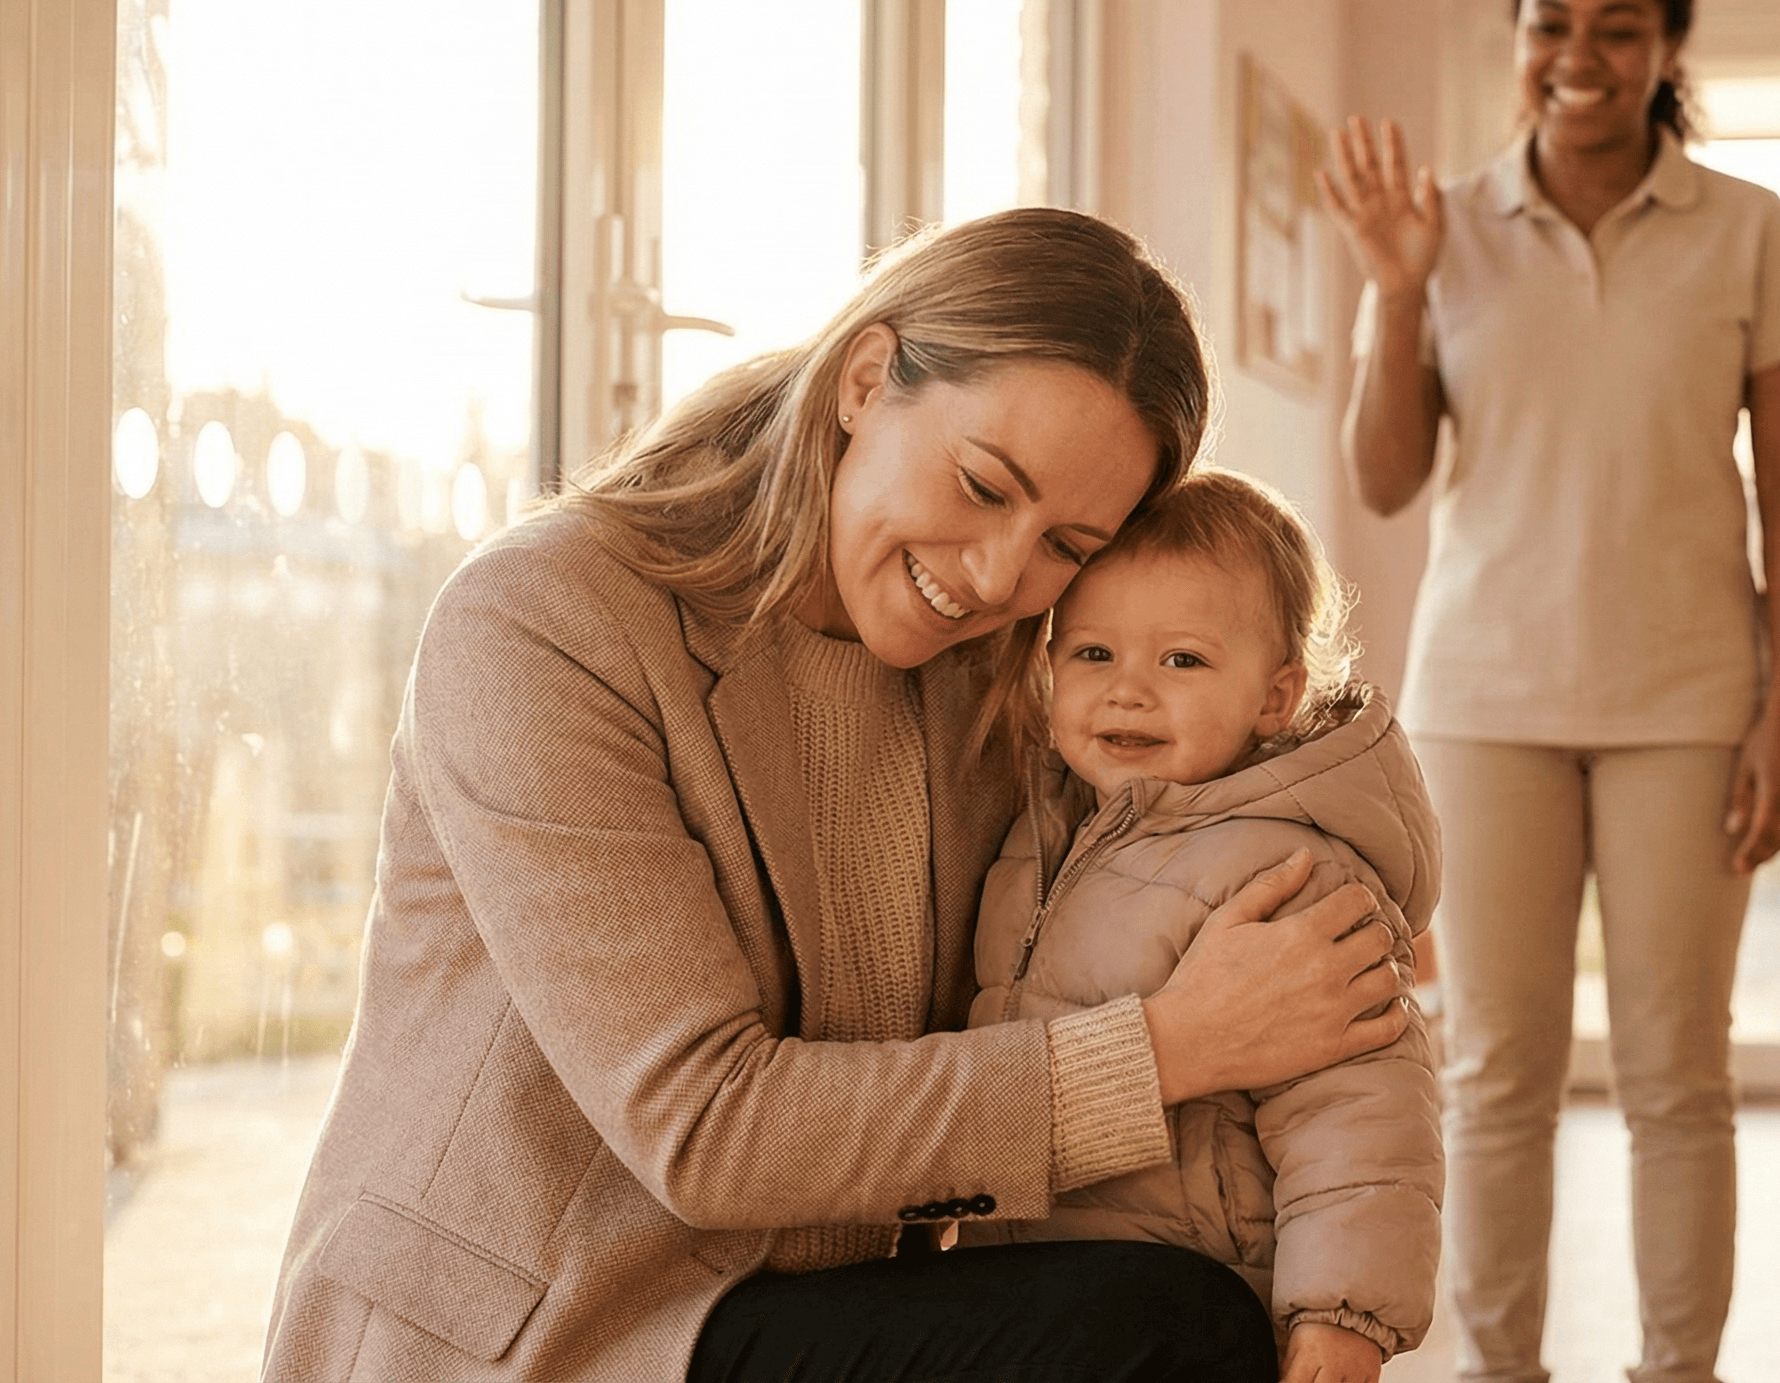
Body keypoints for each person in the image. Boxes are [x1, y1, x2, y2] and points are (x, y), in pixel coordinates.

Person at [260, 208, 1413, 1383]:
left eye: (1065, 546)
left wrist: (1325, 907)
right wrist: (1168, 1049)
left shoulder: (986, 679)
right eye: (981, 485)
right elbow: (704, 1127)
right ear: (865, 381)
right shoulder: (541, 621)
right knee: (1165, 1329)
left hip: (805, 1300)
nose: (997, 575)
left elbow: (1181, 825)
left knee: (1200, 1295)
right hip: (549, 1333)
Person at [1316, 0, 1780, 1383]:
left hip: (1690, 702)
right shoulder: (1443, 228)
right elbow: (1386, 478)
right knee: (1494, 1075)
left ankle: (1677, 1372)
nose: (1579, 55)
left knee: (1678, 1078)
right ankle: (1502, 1370)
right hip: (1487, 699)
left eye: (1619, 27)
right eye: (1551, 23)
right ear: (1518, 38)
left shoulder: (1748, 228)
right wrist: (1397, 285)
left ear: (1670, 47)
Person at [963, 468, 1444, 1383]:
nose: (1128, 691)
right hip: (1043, 1293)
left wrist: (1342, 1315)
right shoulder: (1040, 834)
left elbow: (1361, 1114)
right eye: (1093, 654)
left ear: (1274, 698)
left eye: (1181, 661)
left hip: (1202, 1298)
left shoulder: (1288, 874)